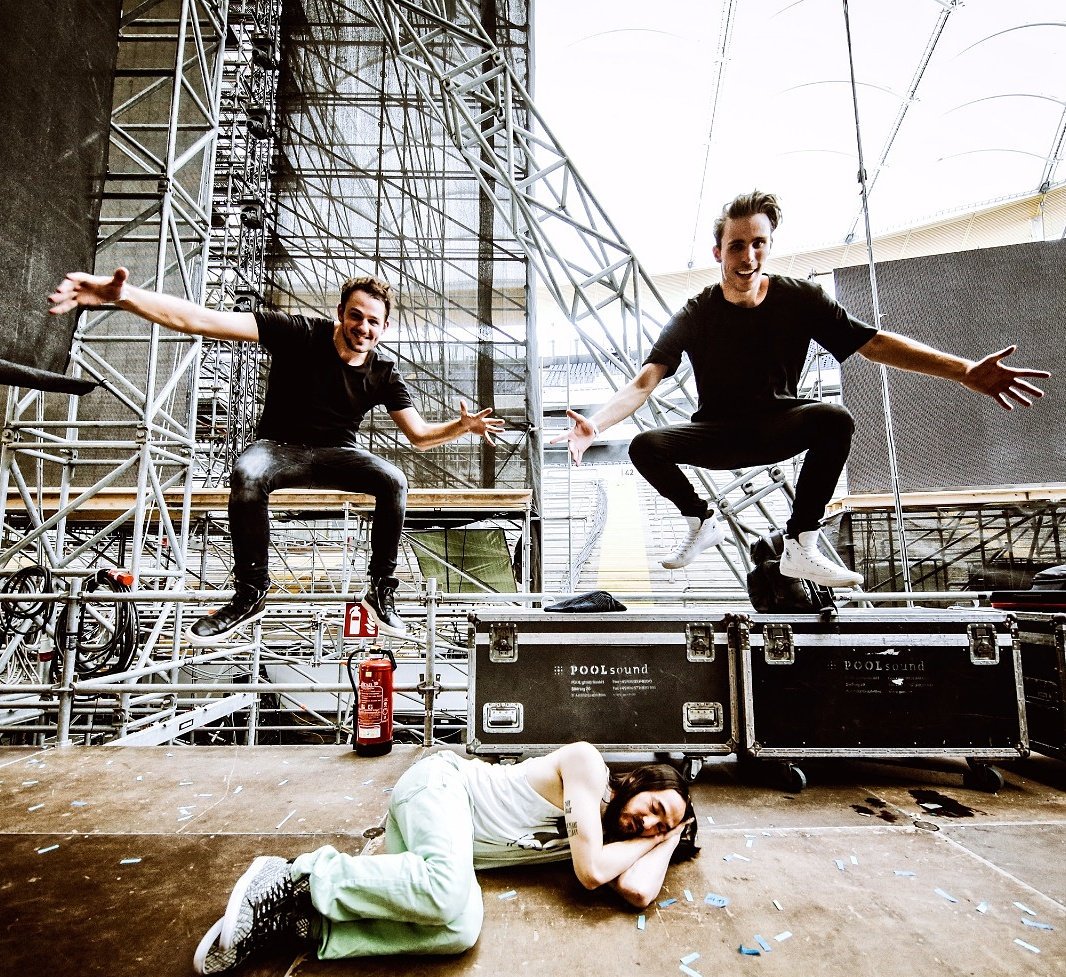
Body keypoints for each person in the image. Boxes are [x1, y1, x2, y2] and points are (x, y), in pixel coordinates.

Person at [551, 191, 1050, 586]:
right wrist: (595, 423)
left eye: (758, 244)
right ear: (718, 251)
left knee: (834, 419)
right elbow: (646, 381)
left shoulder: (801, 299)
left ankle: (801, 544)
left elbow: (872, 343)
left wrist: (963, 371)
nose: (748, 257)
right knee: (645, 445)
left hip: (778, 426)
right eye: (737, 246)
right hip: (718, 435)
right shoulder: (696, 312)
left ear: (769, 244)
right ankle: (701, 521)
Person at [48, 269, 504, 640]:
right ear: (340, 314)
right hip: (278, 448)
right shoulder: (298, 333)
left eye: (372, 322)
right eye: (355, 316)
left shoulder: (384, 374)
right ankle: (249, 591)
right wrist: (124, 297)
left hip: (336, 453)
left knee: (394, 480)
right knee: (247, 471)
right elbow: (200, 320)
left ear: (384, 328)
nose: (362, 328)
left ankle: (380, 589)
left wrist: (459, 427)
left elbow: (420, 436)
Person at [192, 741, 697, 975]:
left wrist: (671, 836)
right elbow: (591, 876)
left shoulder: (613, 843)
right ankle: (296, 878)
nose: (649, 825)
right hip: (440, 787)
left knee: (458, 931)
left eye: (661, 826)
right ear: (639, 782)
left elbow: (636, 891)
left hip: (431, 853)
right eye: (654, 808)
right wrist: (664, 833)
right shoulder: (589, 768)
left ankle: (306, 923)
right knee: (447, 890)